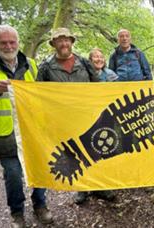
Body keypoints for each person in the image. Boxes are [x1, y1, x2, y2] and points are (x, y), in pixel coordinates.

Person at [0, 24, 53, 228]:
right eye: (3, 42)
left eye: (12, 42)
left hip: (32, 131)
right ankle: (17, 213)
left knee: (40, 170)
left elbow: (47, 95)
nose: (8, 46)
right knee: (14, 175)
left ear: (17, 42)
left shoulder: (32, 65)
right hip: (5, 133)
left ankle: (40, 206)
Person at [37, 28, 116, 205]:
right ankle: (82, 188)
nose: (64, 44)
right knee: (73, 153)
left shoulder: (83, 62)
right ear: (53, 44)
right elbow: (38, 94)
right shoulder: (45, 66)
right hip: (62, 119)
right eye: (59, 40)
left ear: (72, 42)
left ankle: (99, 186)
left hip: (87, 116)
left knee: (95, 149)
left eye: (67, 40)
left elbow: (97, 86)